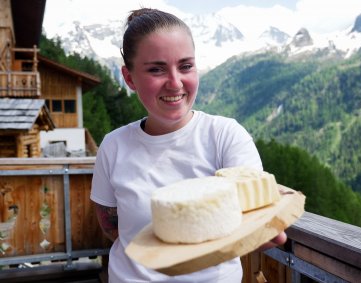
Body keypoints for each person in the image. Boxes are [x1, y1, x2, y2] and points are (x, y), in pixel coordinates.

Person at [90, 8, 287, 283]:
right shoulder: (113, 146)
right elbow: (111, 227)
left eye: (185, 66)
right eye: (156, 69)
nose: (175, 82)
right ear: (130, 77)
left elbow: (255, 219)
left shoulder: (226, 135)